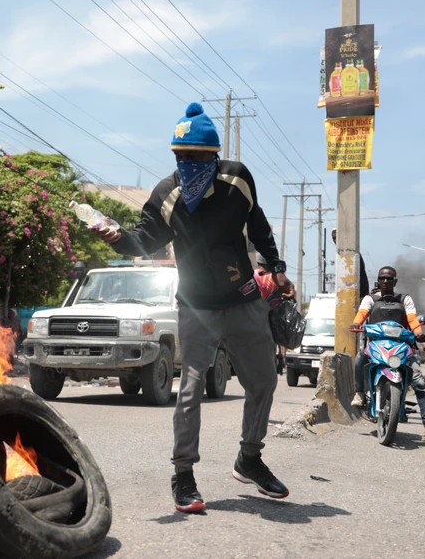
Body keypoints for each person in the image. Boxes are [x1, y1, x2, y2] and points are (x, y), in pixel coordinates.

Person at [92, 102, 294, 512]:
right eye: (181, 157)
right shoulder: (167, 195)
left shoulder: (237, 180)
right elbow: (145, 241)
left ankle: (249, 458)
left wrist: (276, 267)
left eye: (197, 157)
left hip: (243, 299)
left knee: (263, 382)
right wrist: (115, 237)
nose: (188, 163)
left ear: (213, 155)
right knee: (190, 390)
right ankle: (183, 474)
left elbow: (258, 226)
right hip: (196, 306)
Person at [351, 266, 425, 442]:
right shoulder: (370, 299)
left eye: (389, 279)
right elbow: (362, 314)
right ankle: (359, 392)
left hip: (402, 348)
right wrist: (356, 324)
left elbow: (412, 319)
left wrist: (418, 332)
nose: (385, 281)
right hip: (376, 345)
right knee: (360, 358)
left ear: (395, 281)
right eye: (382, 278)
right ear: (378, 280)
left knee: (420, 382)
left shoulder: (405, 299)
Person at [331, 229, 369, 301]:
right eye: (334, 238)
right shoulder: (340, 254)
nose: (336, 241)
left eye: (337, 237)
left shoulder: (351, 253)